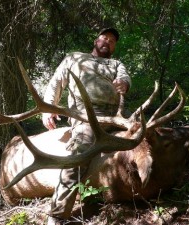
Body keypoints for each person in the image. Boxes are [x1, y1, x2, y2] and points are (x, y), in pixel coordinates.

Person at [42, 28, 131, 224]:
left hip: (116, 117)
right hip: (87, 117)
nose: (108, 41)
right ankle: (57, 216)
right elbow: (56, 82)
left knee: (146, 136)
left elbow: (125, 78)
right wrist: (49, 108)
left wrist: (124, 83)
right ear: (96, 40)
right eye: (104, 37)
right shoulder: (74, 58)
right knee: (78, 155)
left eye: (112, 41)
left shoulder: (116, 63)